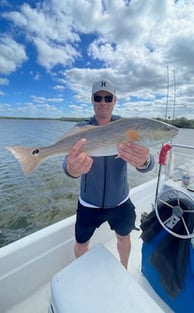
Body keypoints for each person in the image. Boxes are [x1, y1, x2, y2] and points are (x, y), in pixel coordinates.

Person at [63, 80, 155, 268]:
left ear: (114, 100)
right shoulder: (81, 128)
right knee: (81, 242)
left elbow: (147, 161)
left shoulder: (129, 127)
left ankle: (124, 268)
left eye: (107, 97)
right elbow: (67, 162)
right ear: (92, 100)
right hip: (88, 202)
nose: (103, 102)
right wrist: (72, 169)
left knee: (124, 236)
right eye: (98, 97)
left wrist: (145, 161)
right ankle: (81, 271)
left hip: (120, 201)